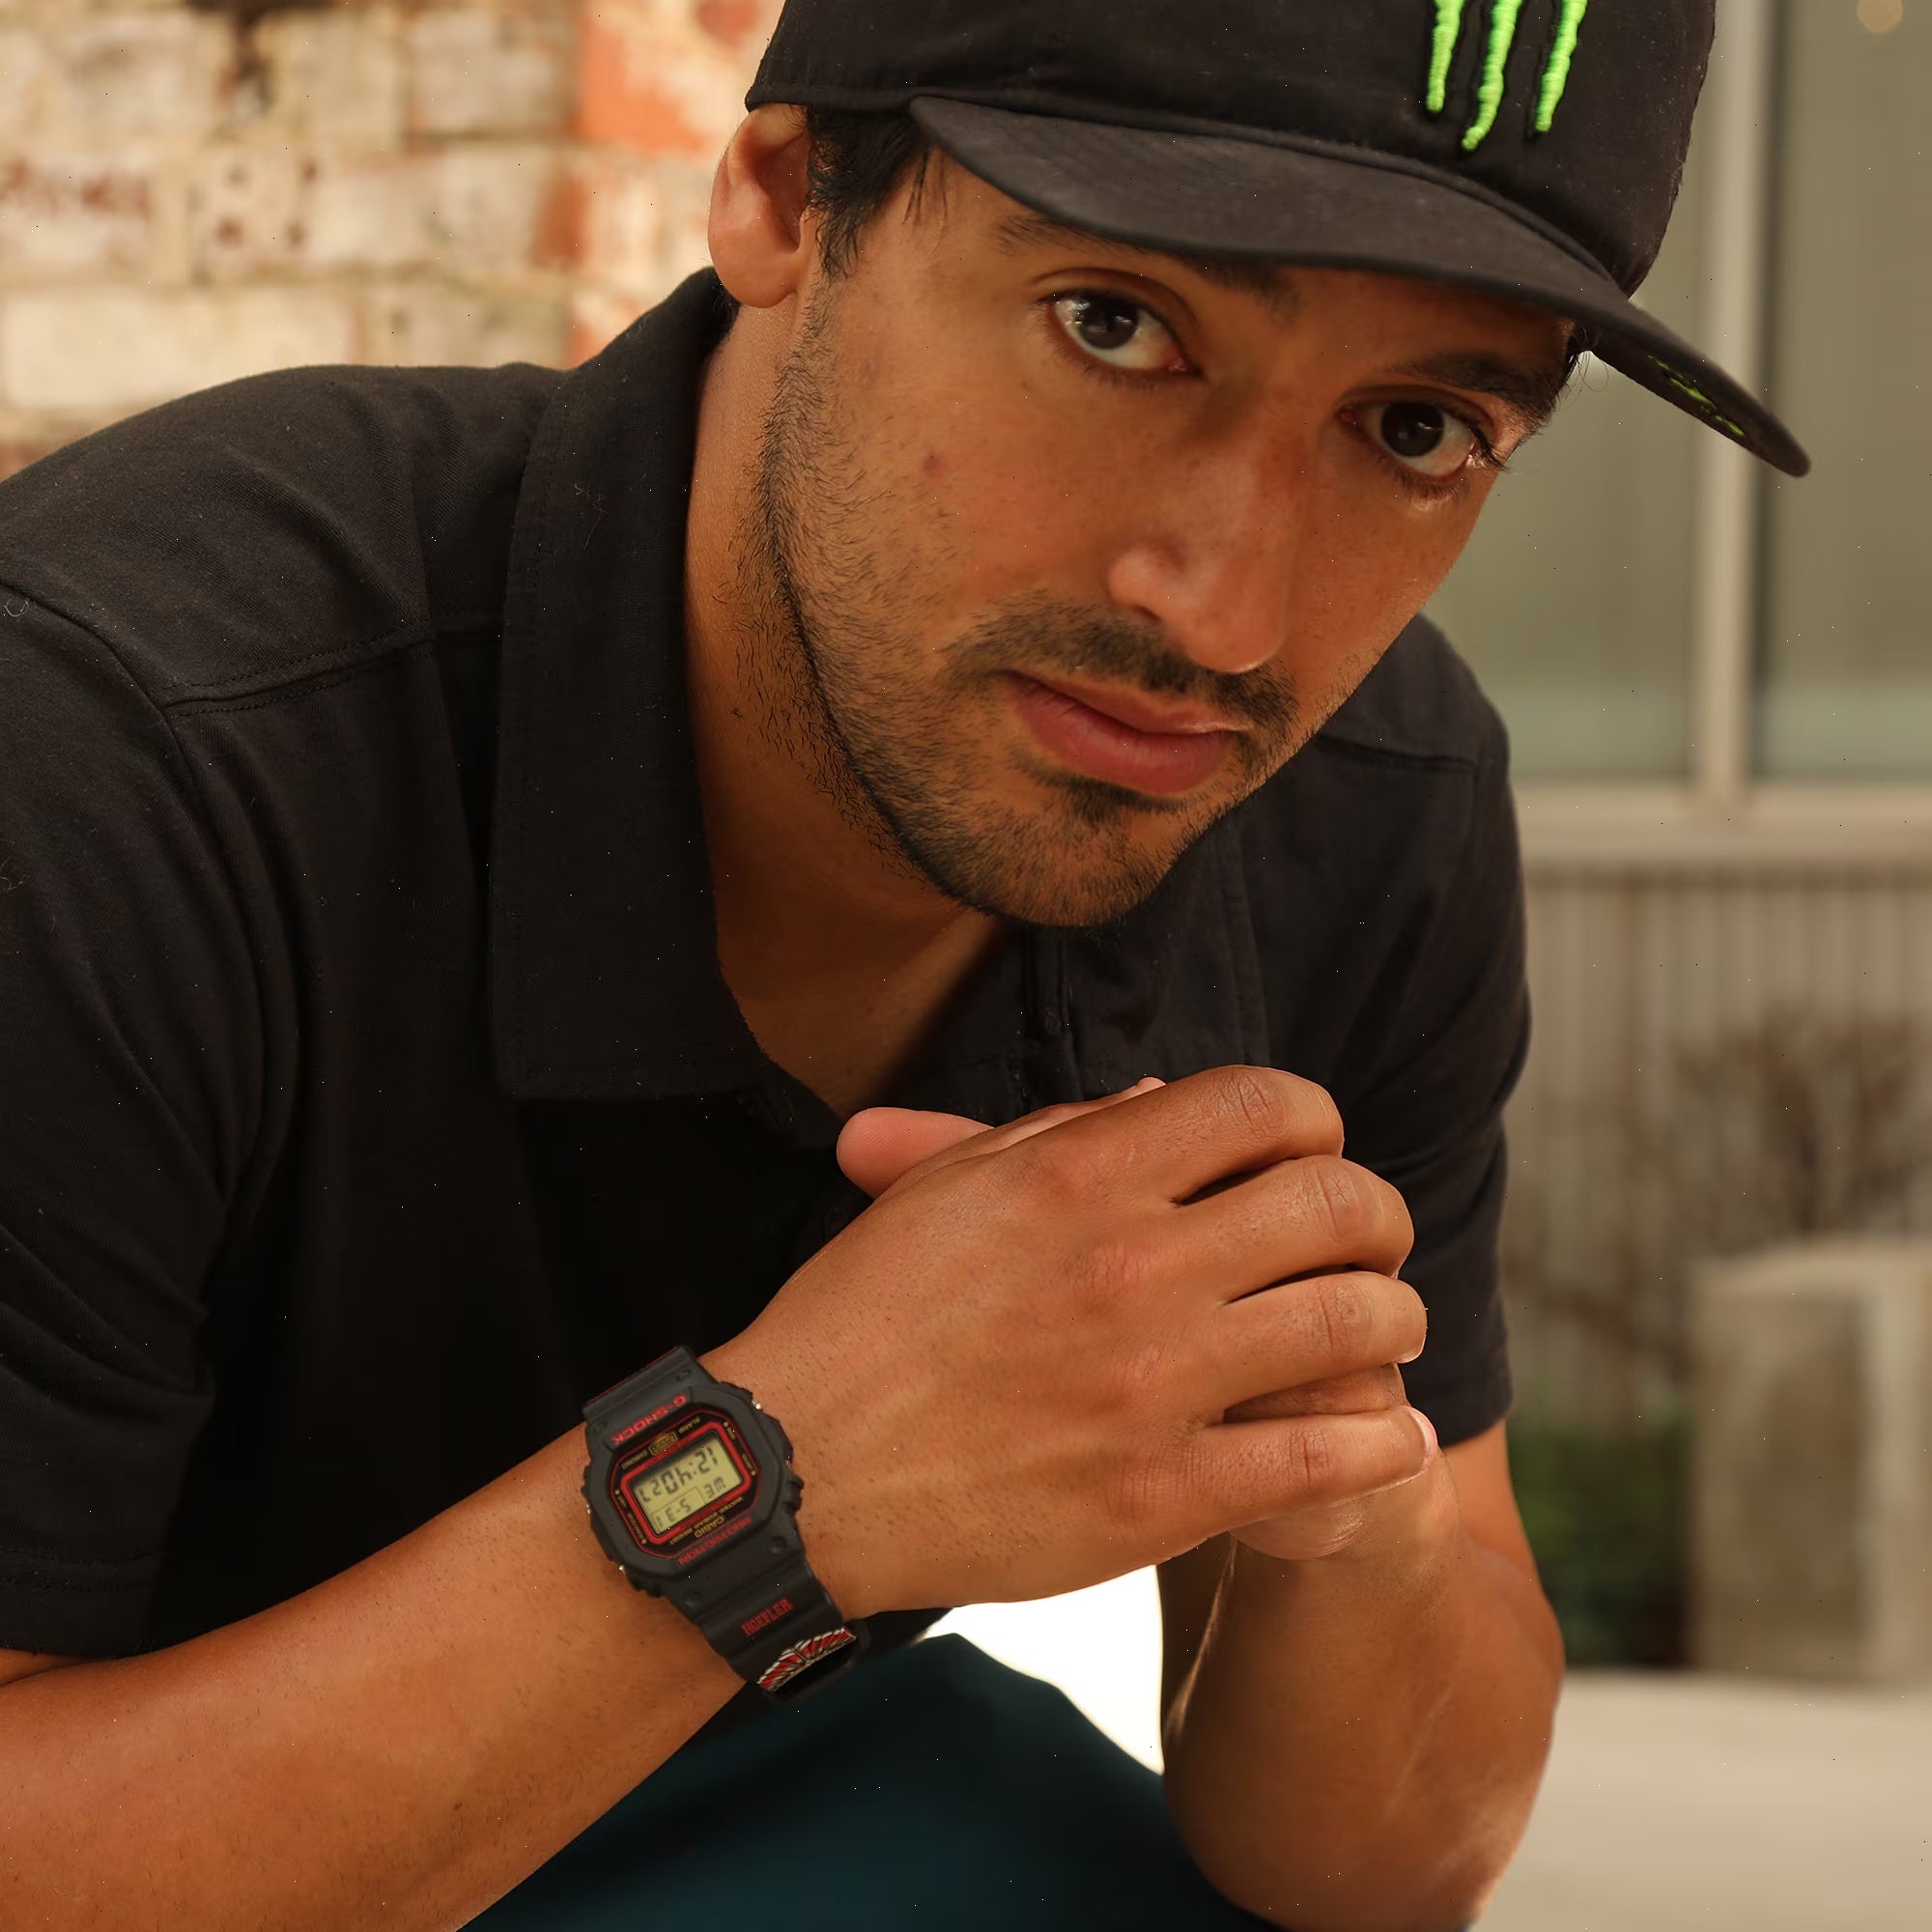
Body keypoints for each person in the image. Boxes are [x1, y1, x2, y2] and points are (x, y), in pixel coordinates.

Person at [0, 2, 1806, 1926]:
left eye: (1417, 428)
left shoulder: (1359, 799)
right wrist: (778, 1482)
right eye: (1113, 325)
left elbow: (1391, 1874)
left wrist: (1341, 1514)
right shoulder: (118, 741)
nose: (1225, 615)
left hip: (752, 1777)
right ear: (786, 194)